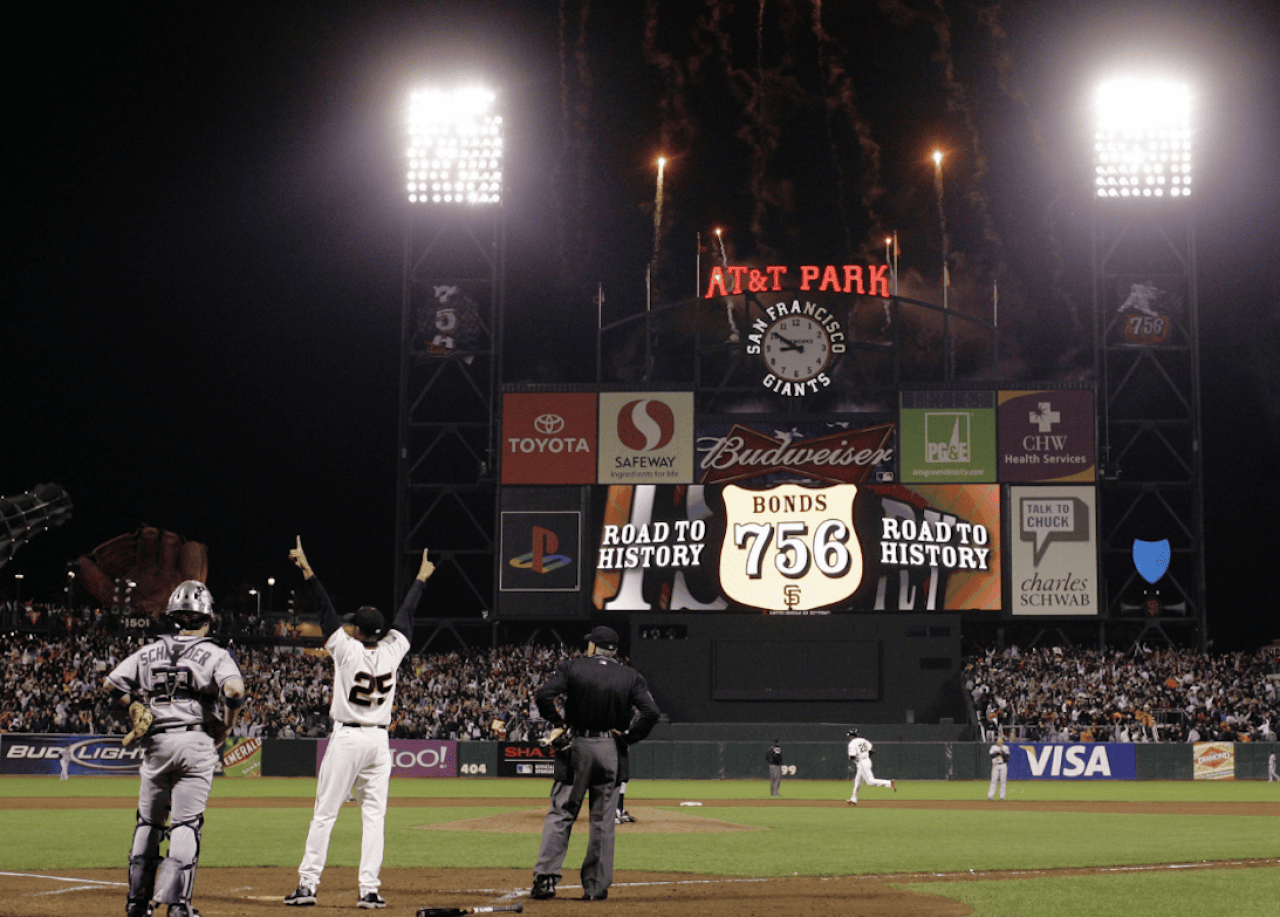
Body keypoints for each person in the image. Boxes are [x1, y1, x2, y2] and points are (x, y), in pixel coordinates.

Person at [284, 539, 434, 910]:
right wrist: (421, 579)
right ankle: (369, 890)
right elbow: (406, 616)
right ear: (380, 631)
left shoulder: (346, 649)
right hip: (379, 745)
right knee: (374, 819)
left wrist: (308, 570)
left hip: (348, 738)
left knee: (325, 814)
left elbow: (325, 609)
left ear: (356, 630)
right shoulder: (393, 649)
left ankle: (308, 885)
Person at [104, 580, 246, 917]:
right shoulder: (215, 653)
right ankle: (176, 905)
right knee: (185, 824)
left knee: (149, 824)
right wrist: (226, 724)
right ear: (207, 617)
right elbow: (235, 691)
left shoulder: (149, 650)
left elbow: (111, 684)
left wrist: (135, 706)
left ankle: (137, 904)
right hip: (196, 740)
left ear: (173, 617)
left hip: (157, 741)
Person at [531, 625, 660, 902]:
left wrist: (557, 722)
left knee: (561, 814)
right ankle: (595, 888)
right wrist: (627, 737)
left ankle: (545, 881)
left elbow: (543, 696)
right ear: (613, 650)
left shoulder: (571, 667)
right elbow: (651, 713)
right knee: (603, 822)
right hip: (610, 749)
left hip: (577, 745)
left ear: (593, 647)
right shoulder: (631, 676)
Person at [845, 727, 895, 805]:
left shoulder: (852, 744)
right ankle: (853, 799)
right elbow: (872, 750)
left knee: (870, 781)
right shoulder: (863, 740)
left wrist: (853, 759)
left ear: (850, 735)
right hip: (867, 761)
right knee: (857, 781)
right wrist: (865, 756)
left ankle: (889, 783)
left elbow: (852, 756)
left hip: (861, 763)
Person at [987, 734, 1011, 800]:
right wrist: (998, 753)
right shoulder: (993, 747)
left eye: (1000, 740)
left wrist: (1002, 753)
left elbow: (1007, 757)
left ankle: (1002, 796)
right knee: (993, 780)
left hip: (1003, 765)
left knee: (1003, 781)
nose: (999, 741)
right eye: (998, 740)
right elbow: (991, 755)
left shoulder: (1005, 747)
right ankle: (990, 795)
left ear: (1003, 741)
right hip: (995, 765)